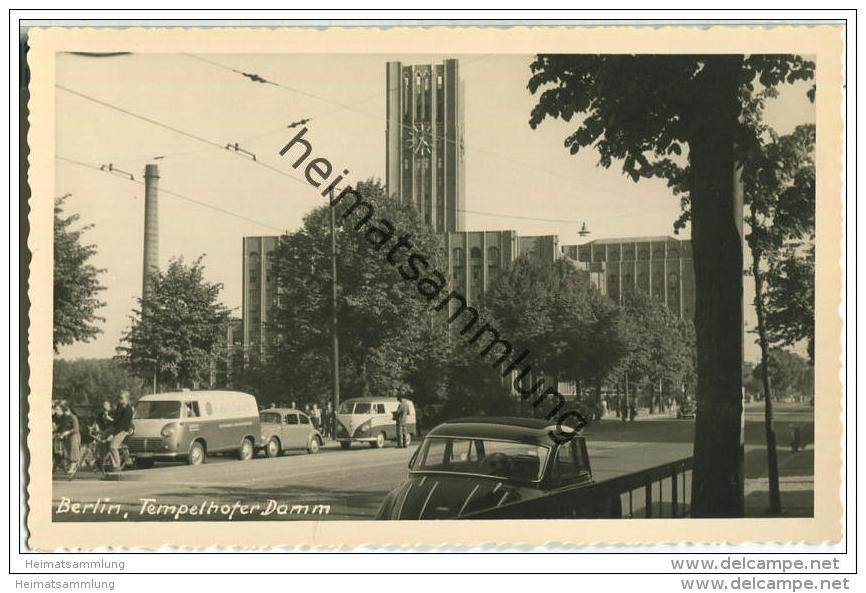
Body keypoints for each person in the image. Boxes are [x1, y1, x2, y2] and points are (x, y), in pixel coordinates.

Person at [109, 391, 134, 471]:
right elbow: (116, 419)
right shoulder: (119, 406)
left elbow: (123, 425)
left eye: (121, 398)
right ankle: (104, 462)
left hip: (123, 430)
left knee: (113, 446)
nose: (119, 399)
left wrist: (113, 434)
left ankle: (116, 466)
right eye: (119, 397)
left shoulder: (128, 410)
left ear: (126, 399)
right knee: (103, 440)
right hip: (116, 428)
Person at [59, 405, 81, 475]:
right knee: (68, 452)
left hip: (74, 436)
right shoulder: (65, 417)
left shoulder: (73, 417)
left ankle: (73, 467)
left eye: (65, 412)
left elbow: (76, 428)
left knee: (73, 452)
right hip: (67, 437)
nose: (64, 413)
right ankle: (71, 466)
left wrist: (68, 432)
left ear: (68, 410)